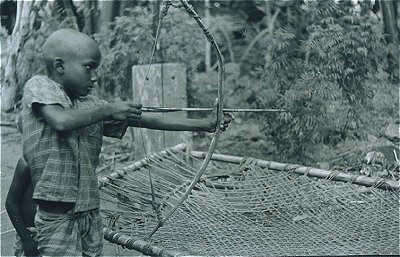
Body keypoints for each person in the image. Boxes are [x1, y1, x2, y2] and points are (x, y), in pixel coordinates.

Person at [20, 28, 232, 257]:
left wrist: (206, 124)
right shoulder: (39, 85)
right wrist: (110, 108)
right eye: (88, 67)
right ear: (60, 66)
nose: (94, 77)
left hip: (90, 212)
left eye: (96, 69)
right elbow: (61, 121)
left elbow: (145, 120)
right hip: (57, 217)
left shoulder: (90, 104)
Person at [5, 157, 39, 257]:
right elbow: (11, 202)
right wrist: (26, 238)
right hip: (32, 234)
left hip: (59, 231)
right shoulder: (27, 161)